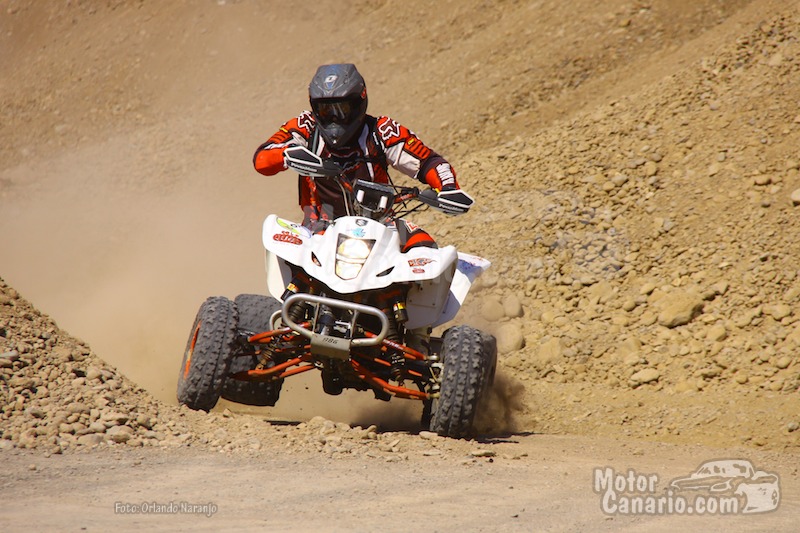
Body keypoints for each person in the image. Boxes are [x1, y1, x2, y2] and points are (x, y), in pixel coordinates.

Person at [253, 63, 473, 247]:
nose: (334, 118)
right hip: (317, 230)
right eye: (326, 111)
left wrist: (448, 188)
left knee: (425, 249)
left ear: (359, 102)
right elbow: (262, 158)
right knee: (282, 245)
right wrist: (287, 154)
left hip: (381, 226)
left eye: (342, 109)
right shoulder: (306, 126)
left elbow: (428, 162)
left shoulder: (382, 130)